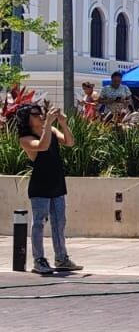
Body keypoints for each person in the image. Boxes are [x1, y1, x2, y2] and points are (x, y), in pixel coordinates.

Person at [16, 104, 83, 275]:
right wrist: (48, 124)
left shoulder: (51, 130)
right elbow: (42, 146)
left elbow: (70, 142)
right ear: (27, 119)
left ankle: (61, 258)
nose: (40, 116)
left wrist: (63, 123)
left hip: (57, 182)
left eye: (41, 113)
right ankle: (39, 259)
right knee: (39, 222)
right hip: (40, 184)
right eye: (35, 114)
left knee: (59, 222)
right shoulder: (25, 138)